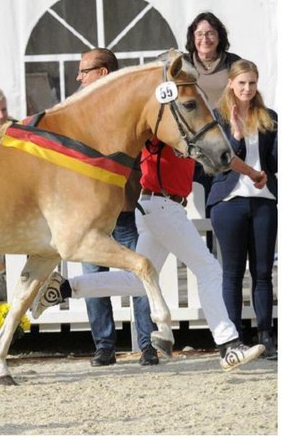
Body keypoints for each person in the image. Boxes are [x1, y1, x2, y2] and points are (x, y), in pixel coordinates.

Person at [31, 106, 269, 372]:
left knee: (135, 282)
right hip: (161, 206)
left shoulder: (188, 133)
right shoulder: (158, 132)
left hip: (159, 208)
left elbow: (223, 157)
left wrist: (251, 173)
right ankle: (229, 345)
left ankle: (64, 288)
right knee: (209, 269)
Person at [73, 48, 157, 366]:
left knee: (140, 275)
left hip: (124, 205)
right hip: (89, 214)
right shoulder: (77, 111)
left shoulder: (126, 104)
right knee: (94, 280)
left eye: (84, 70)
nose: (79, 77)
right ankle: (105, 345)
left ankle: (147, 344)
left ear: (103, 73)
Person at [208, 60, 278, 360]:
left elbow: (273, 160)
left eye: (252, 83)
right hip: (229, 202)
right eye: (241, 83)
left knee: (262, 273)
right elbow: (219, 163)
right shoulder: (217, 119)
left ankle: (266, 336)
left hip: (263, 200)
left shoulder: (269, 117)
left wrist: (267, 175)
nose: (247, 89)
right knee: (232, 274)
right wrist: (236, 136)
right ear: (231, 85)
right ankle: (234, 336)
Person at [182, 12, 241, 103]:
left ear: (219, 37)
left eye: (210, 33)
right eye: (199, 34)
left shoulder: (234, 62)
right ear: (193, 38)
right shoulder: (183, 63)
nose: (205, 39)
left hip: (229, 116)